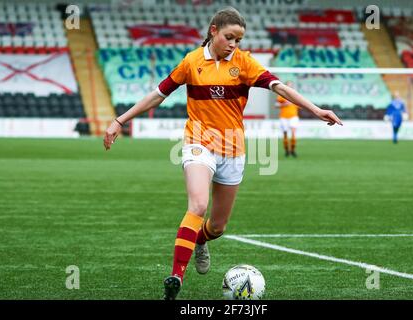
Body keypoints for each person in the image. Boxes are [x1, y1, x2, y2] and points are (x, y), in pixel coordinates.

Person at [103, 7, 343, 300]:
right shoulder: (191, 61)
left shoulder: (244, 63)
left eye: (239, 40)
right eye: (230, 37)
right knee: (198, 204)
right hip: (198, 142)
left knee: (217, 226)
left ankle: (201, 240)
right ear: (214, 30)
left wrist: (316, 110)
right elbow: (158, 94)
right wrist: (120, 120)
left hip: (233, 149)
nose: (234, 44)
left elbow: (279, 87)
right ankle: (176, 276)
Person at [275, 80, 301, 157]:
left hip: (293, 116)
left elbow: (300, 105)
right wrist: (285, 104)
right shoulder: (281, 95)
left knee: (293, 133)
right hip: (284, 117)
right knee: (285, 134)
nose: (290, 86)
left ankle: (293, 150)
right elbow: (276, 105)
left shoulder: (295, 95)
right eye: (288, 85)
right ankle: (287, 150)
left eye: (291, 85)